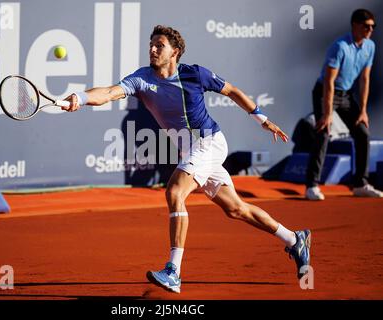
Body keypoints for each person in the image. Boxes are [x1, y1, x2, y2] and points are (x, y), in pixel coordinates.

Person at [62, 25, 311, 293]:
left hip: (209, 143)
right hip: (192, 150)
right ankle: (294, 238)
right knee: (236, 209)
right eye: (151, 44)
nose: (153, 49)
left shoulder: (194, 74)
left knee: (175, 191)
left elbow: (232, 91)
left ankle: (173, 271)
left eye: (159, 45)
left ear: (175, 52)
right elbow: (110, 92)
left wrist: (262, 119)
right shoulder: (142, 78)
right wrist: (82, 97)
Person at [305, 9, 382, 200]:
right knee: (323, 132)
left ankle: (360, 184)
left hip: (347, 95)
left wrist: (363, 110)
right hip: (325, 92)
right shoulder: (339, 47)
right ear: (355, 25)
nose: (370, 29)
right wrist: (327, 112)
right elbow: (329, 82)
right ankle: (311, 186)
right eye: (366, 26)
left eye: (373, 26)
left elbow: (365, 79)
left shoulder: (370, 46)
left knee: (362, 133)